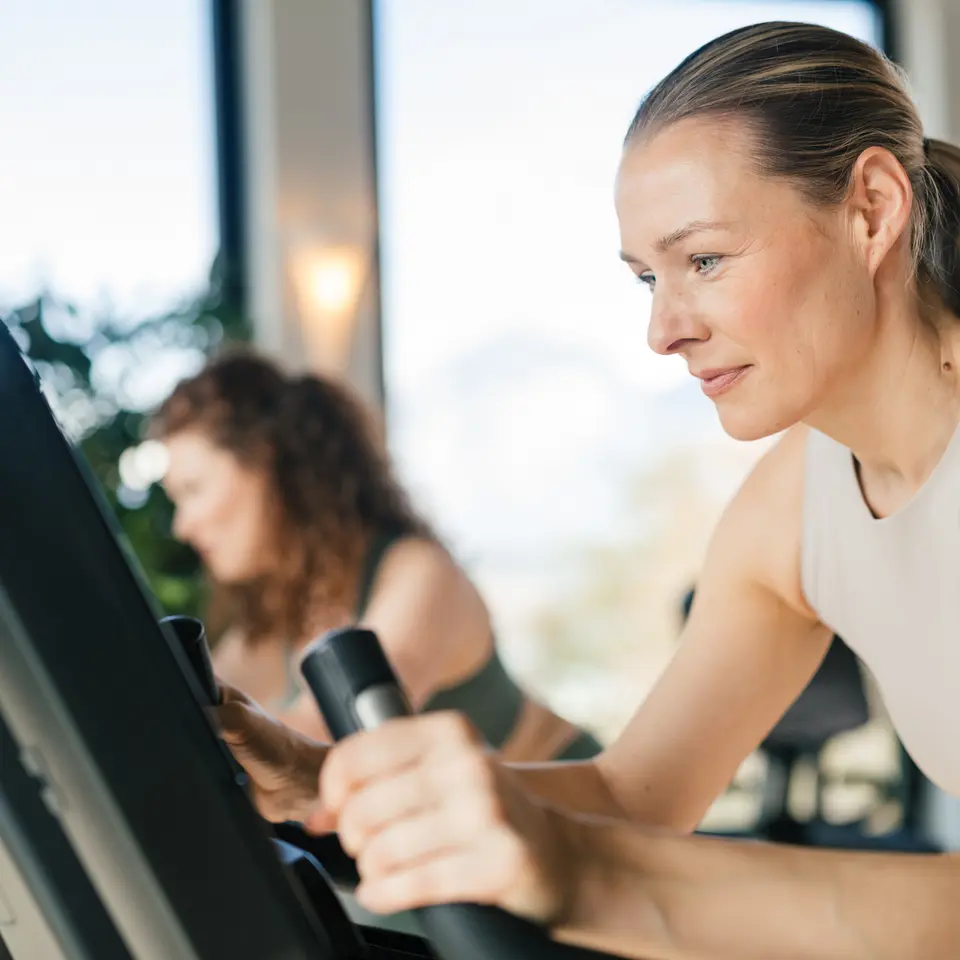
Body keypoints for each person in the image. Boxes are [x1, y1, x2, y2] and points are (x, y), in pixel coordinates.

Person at [213, 22, 960, 959]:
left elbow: (613, 846)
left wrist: (592, 873)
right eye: (648, 277)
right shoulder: (791, 507)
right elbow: (636, 797)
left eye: (706, 260)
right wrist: (328, 783)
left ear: (872, 208)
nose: (662, 329)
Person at [154, 350, 601, 767]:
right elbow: (201, 705)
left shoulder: (418, 573)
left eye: (194, 490)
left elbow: (337, 734)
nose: (182, 526)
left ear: (268, 466)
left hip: (583, 825)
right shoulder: (282, 609)